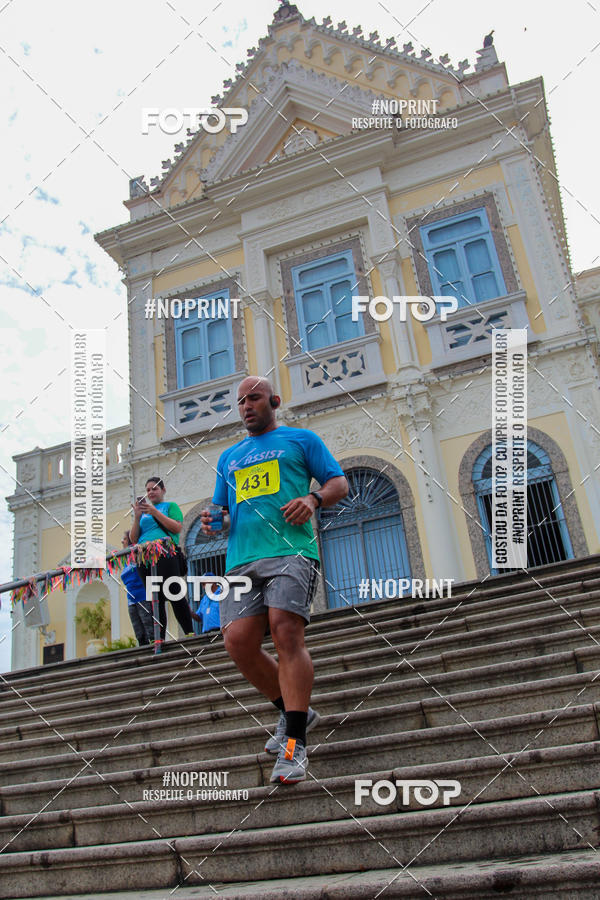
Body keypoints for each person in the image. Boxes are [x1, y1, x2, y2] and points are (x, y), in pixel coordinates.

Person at [201, 376, 348, 784]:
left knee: (286, 634)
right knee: (238, 642)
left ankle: (293, 746)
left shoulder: (302, 440)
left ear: (274, 401)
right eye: (241, 401)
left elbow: (339, 482)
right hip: (241, 560)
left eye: (255, 398)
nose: (247, 406)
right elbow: (222, 512)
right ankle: (294, 710)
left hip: (291, 551)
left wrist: (313, 498)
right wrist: (216, 521)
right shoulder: (229, 457)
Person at [130, 477, 194, 641]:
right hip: (146, 557)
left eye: (154, 489)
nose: (151, 492)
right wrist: (137, 517)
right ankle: (159, 638)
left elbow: (177, 527)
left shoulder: (169, 506)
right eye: (148, 490)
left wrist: (154, 512)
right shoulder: (143, 515)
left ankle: (189, 632)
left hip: (165, 553)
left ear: (163, 490)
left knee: (174, 593)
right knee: (155, 598)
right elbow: (134, 539)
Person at [120, 530, 154, 646]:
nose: (121, 541)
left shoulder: (137, 553)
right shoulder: (125, 559)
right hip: (131, 599)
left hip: (142, 596)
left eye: (124, 539)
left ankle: (155, 648)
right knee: (139, 632)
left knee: (149, 625)